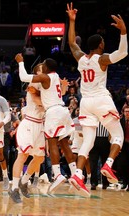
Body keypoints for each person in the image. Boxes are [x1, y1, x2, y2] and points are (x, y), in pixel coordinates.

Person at [66, 2, 128, 197]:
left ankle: (78, 174)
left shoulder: (82, 59)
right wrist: (124, 32)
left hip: (86, 103)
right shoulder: (101, 59)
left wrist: (72, 21)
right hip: (101, 99)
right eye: (102, 41)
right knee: (117, 134)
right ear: (100, 44)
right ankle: (108, 165)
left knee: (88, 141)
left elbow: (72, 44)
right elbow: (123, 53)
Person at [15, 54, 76, 194]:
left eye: (43, 68)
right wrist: (64, 87)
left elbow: (50, 98)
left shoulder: (44, 82)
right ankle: (17, 184)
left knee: (46, 151)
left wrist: (20, 62)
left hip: (48, 117)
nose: (40, 72)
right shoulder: (35, 87)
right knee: (28, 155)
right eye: (39, 70)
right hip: (37, 120)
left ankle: (53, 175)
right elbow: (43, 99)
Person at [8, 64, 45, 203]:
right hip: (29, 123)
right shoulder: (34, 82)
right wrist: (51, 104)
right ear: (36, 72)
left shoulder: (46, 84)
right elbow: (38, 101)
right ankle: (14, 188)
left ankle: (24, 181)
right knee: (22, 155)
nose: (45, 70)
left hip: (40, 124)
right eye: (42, 68)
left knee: (39, 158)